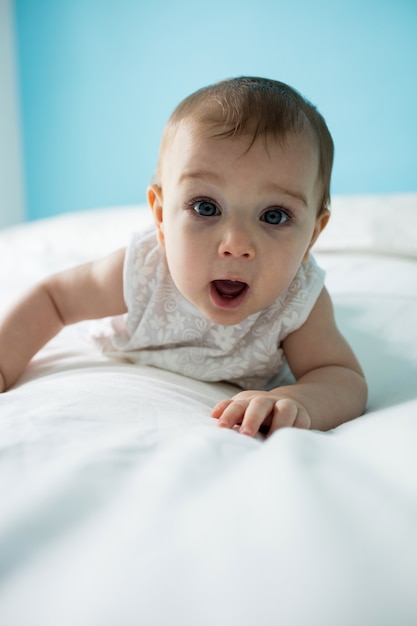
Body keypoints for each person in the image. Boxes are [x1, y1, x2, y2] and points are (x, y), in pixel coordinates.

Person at [0, 76, 367, 436]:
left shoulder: (298, 302)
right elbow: (54, 299)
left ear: (312, 237)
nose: (236, 244)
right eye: (206, 207)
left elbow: (341, 376)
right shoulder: (143, 270)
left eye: (274, 216)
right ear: (161, 216)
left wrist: (298, 400)